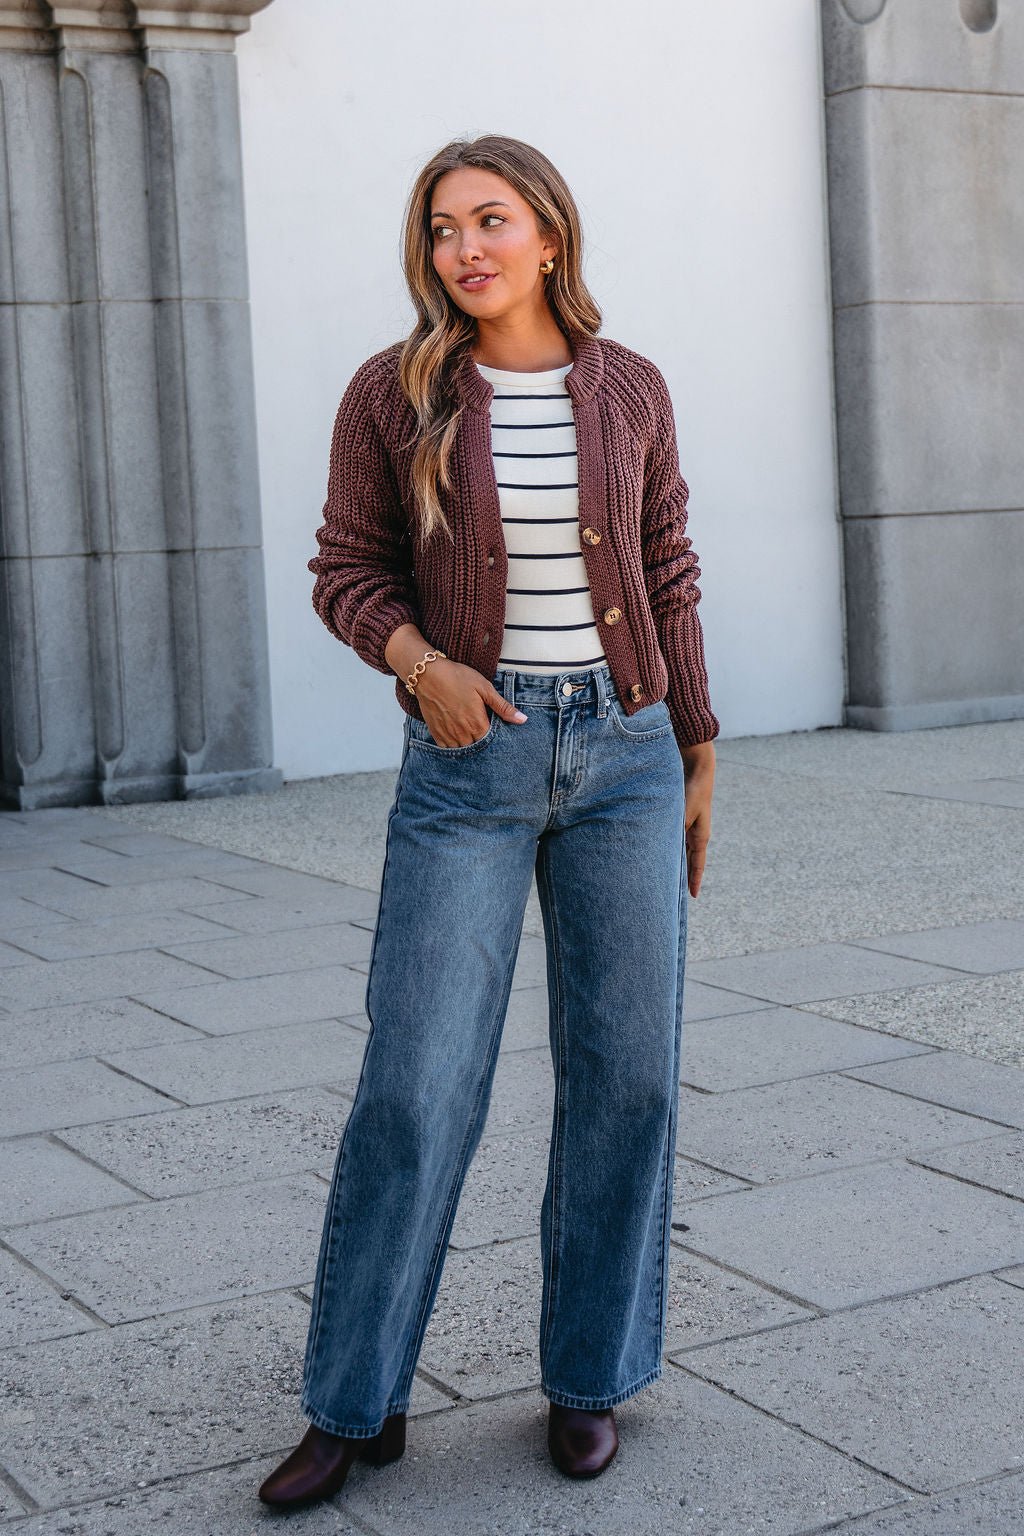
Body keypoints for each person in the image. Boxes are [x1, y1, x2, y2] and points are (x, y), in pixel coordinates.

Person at [258, 133, 718, 1511]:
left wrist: (696, 746)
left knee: (628, 1076)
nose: (465, 247)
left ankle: (589, 1382)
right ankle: (356, 1400)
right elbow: (349, 571)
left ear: (549, 235)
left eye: (491, 220)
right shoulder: (391, 395)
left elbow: (669, 565)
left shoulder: (629, 384)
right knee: (416, 1083)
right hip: (470, 764)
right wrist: (422, 666)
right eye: (443, 227)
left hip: (626, 755)